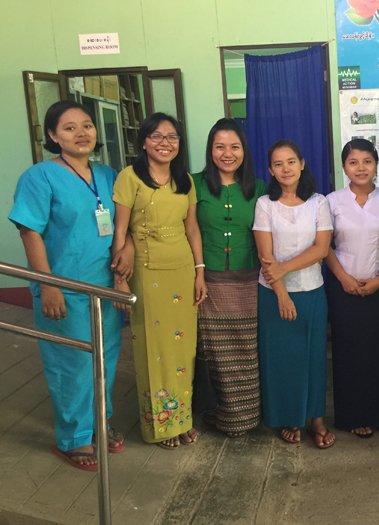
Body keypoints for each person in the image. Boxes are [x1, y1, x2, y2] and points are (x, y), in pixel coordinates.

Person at [9, 101, 127, 471]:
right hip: (65, 288)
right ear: (53, 135)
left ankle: (99, 423)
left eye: (87, 125)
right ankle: (74, 437)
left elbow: (124, 225)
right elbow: (29, 231)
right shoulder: (39, 177)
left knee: (105, 359)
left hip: (104, 288)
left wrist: (125, 260)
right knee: (72, 364)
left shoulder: (108, 175)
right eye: (70, 127)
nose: (81, 133)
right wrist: (48, 285)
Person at [112, 112, 207, 449]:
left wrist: (200, 272)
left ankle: (182, 419)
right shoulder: (129, 177)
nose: (165, 143)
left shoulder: (185, 181)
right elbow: (120, 231)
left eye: (172, 137)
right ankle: (161, 427)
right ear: (143, 142)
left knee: (183, 350)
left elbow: (192, 229)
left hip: (182, 272)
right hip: (147, 274)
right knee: (155, 350)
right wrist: (119, 279)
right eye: (157, 136)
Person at [253, 140, 334, 449]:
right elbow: (266, 256)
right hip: (273, 295)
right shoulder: (265, 204)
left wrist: (283, 269)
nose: (285, 168)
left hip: (312, 291)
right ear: (271, 171)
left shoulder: (318, 202)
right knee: (283, 360)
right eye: (278, 164)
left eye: (290, 162)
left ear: (301, 164)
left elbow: (321, 249)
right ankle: (289, 417)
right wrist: (281, 293)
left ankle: (316, 418)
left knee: (313, 357)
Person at [193, 118, 266, 438]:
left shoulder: (259, 187)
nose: (227, 153)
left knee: (247, 351)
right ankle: (218, 414)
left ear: (244, 151)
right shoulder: (193, 184)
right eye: (220, 146)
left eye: (234, 147)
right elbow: (188, 229)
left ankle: (247, 417)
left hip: (248, 281)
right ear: (210, 150)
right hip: (208, 281)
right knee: (215, 353)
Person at [326, 139, 379, 438]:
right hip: (342, 287)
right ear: (344, 167)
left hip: (378, 286)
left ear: (376, 165)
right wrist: (343, 278)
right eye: (353, 162)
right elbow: (325, 246)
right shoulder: (331, 201)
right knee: (348, 352)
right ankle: (353, 415)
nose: (361, 168)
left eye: (367, 161)